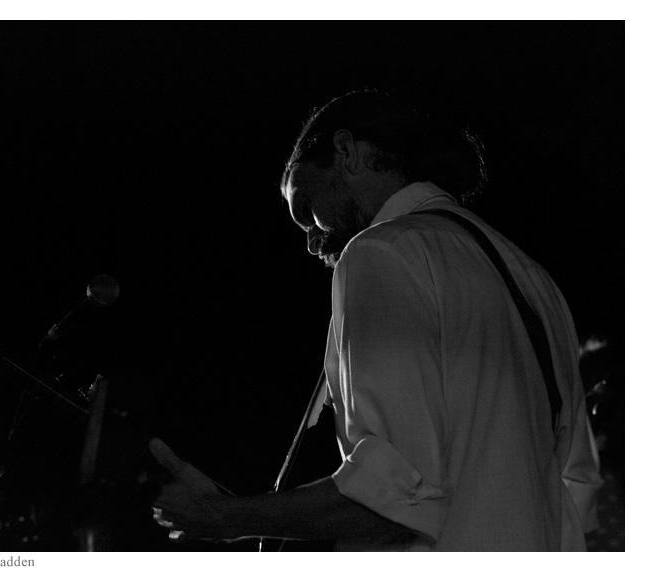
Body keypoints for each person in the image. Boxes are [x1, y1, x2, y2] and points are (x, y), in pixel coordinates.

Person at [149, 90, 603, 551]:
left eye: (306, 209)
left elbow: (395, 503)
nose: (312, 242)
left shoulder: (381, 251)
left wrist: (223, 516)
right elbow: (579, 488)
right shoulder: (535, 279)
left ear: (347, 151)